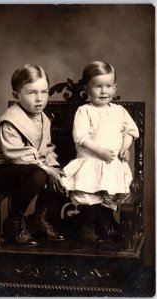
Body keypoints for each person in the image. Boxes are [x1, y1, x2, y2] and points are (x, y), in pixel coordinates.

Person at [0, 64, 66, 247]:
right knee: (39, 175)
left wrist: (54, 168)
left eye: (44, 92)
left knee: (61, 174)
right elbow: (17, 155)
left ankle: (39, 218)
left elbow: (46, 149)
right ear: (16, 95)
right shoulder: (10, 121)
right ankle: (14, 221)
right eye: (31, 93)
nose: (39, 99)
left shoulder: (44, 119)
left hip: (28, 166)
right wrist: (46, 170)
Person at [61, 61, 139, 241]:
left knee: (109, 194)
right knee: (89, 193)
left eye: (108, 86)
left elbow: (131, 131)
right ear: (87, 89)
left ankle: (106, 223)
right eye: (97, 86)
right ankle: (88, 226)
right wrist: (101, 152)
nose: (104, 91)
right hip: (90, 162)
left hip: (112, 165)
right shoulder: (85, 110)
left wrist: (125, 148)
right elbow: (81, 137)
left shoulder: (119, 111)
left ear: (115, 87)